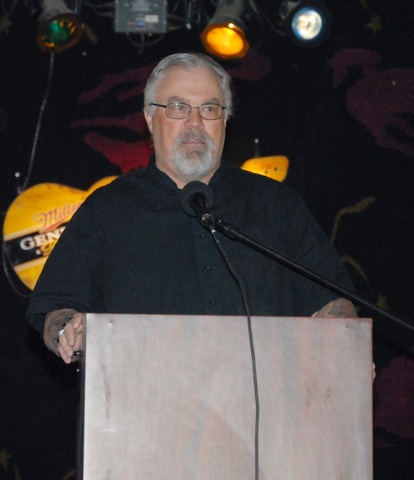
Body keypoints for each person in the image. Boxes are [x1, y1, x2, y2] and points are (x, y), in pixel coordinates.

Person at [26, 52, 357, 364]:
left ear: (224, 120)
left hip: (269, 400)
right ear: (149, 118)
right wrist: (68, 331)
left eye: (209, 108)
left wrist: (341, 338)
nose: (195, 121)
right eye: (178, 107)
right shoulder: (106, 209)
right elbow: (57, 309)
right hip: (142, 400)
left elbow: (334, 301)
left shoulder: (277, 204)